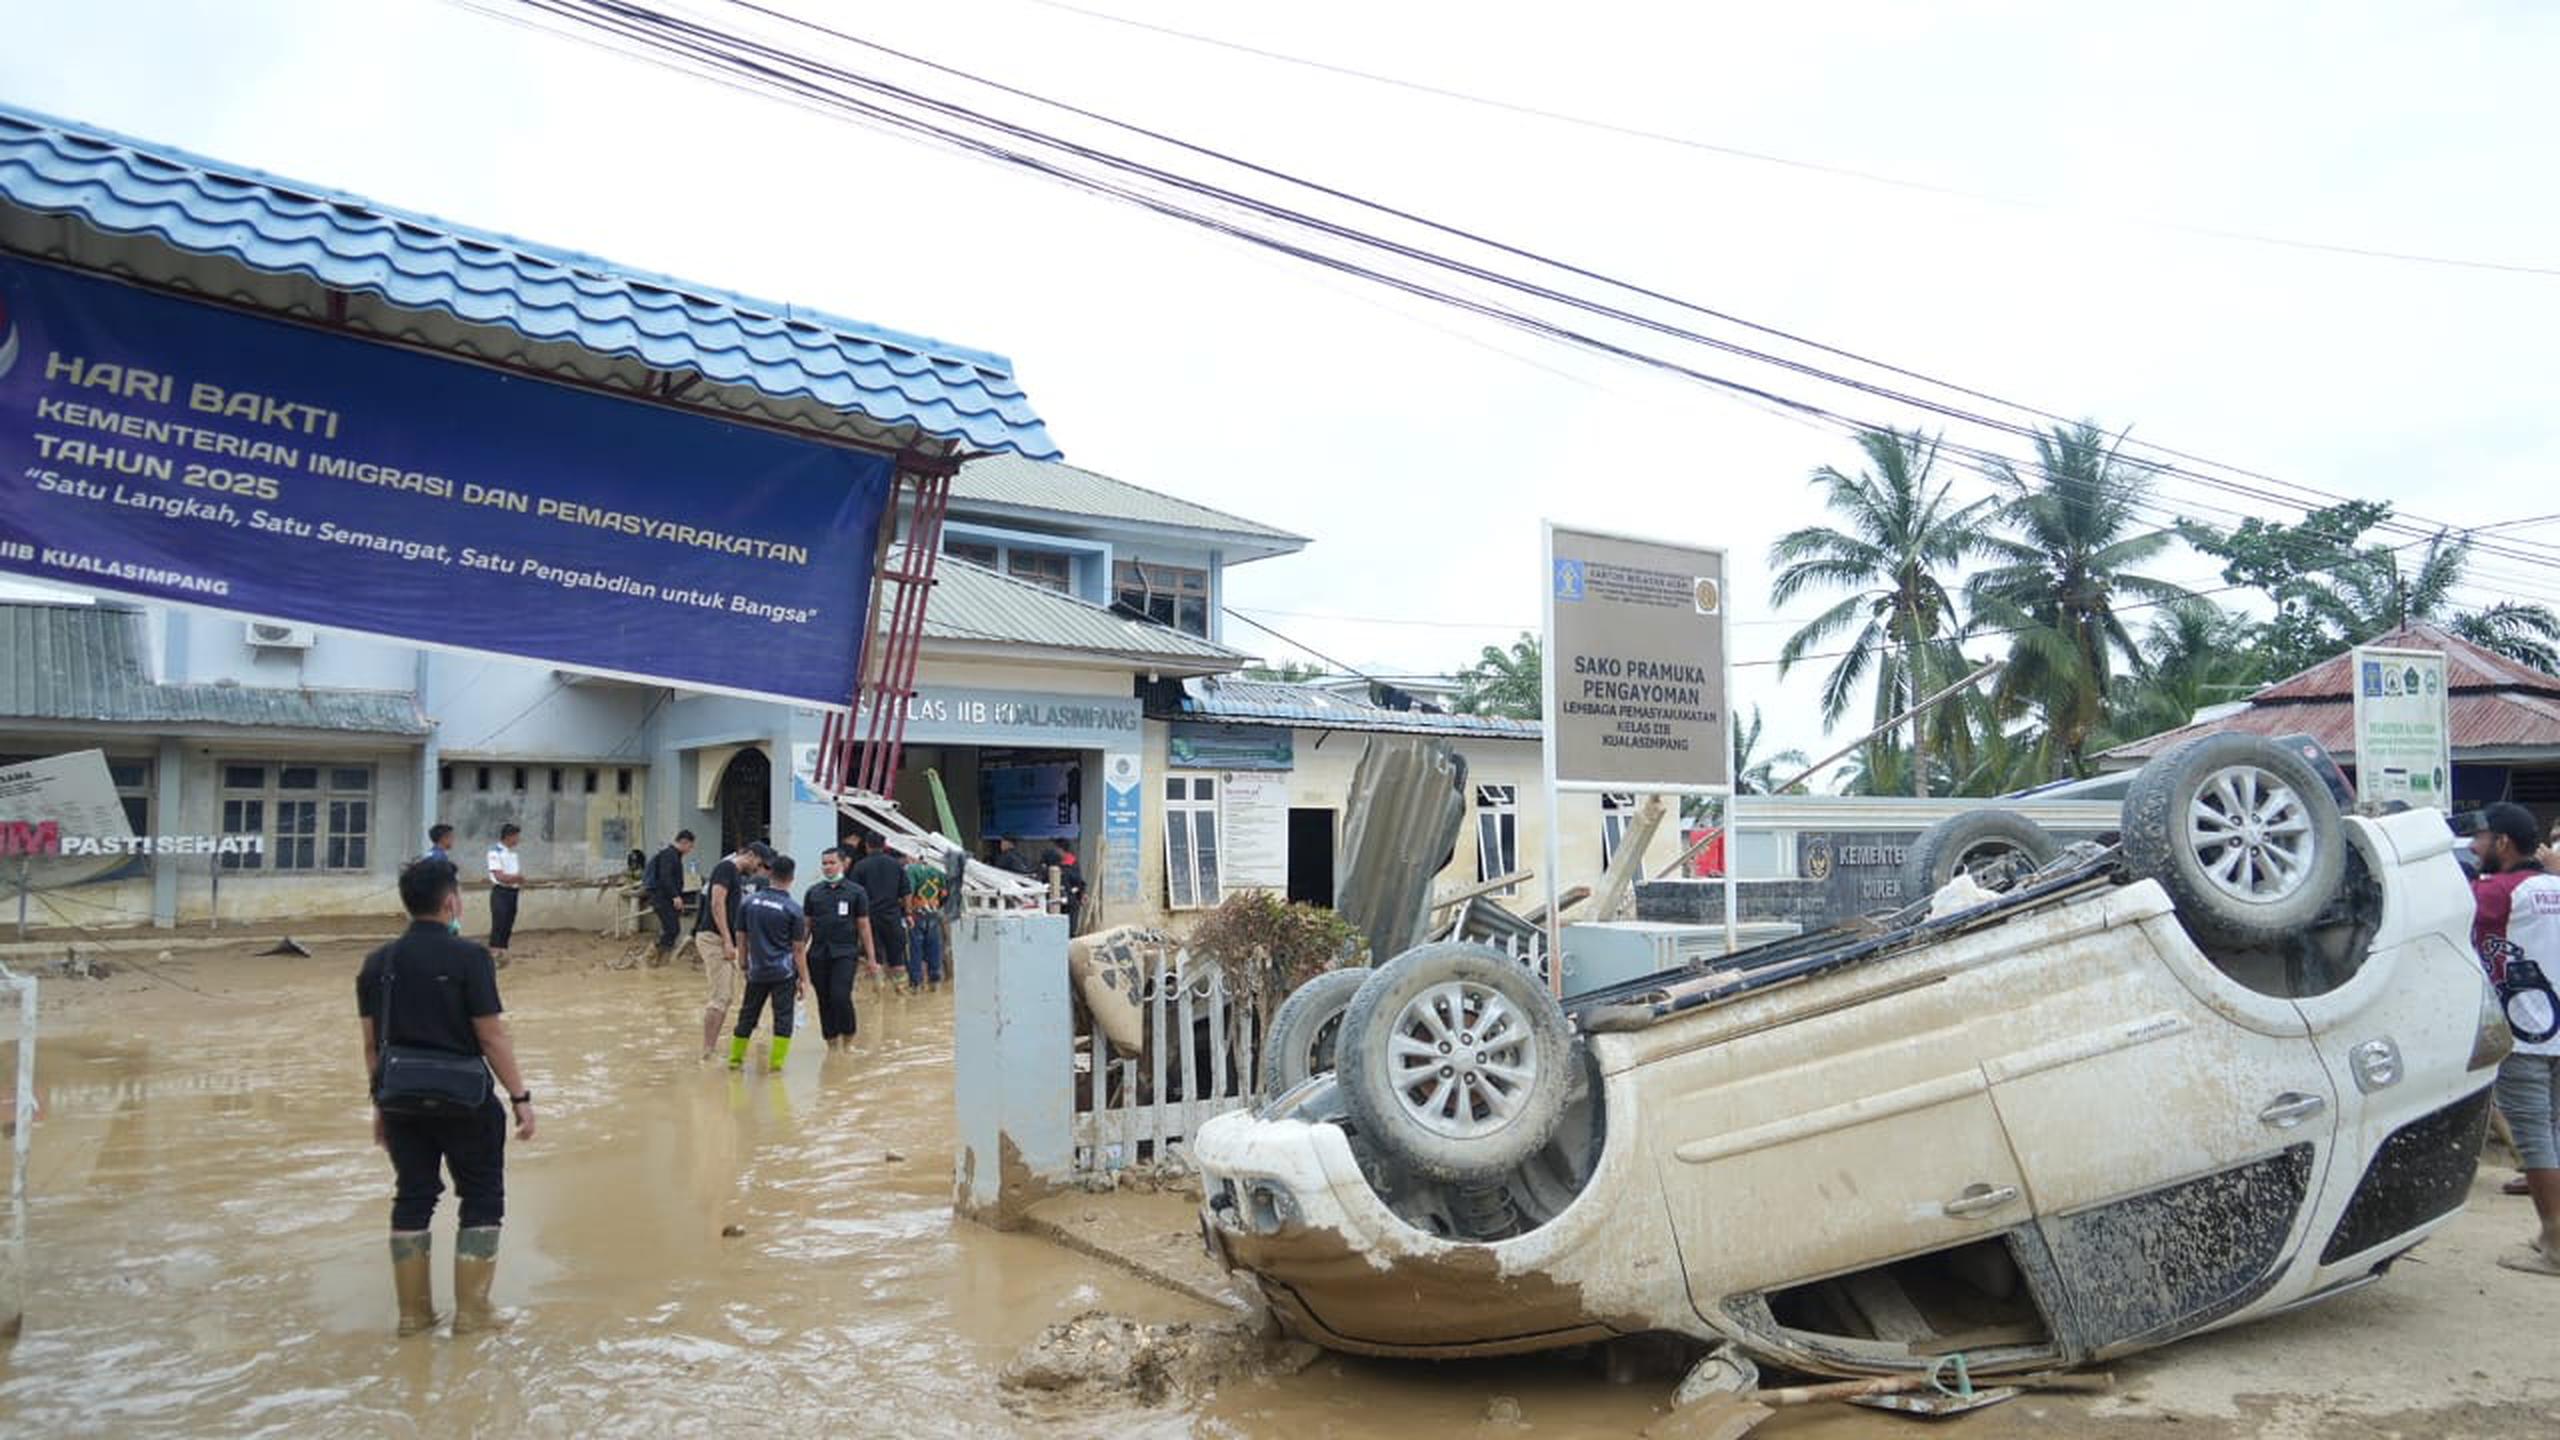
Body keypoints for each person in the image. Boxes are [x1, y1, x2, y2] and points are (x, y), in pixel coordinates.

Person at [359, 858, 536, 1336]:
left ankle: (413, 1317)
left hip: (400, 1100)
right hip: (465, 1102)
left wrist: (380, 1105)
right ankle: (473, 1314)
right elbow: (491, 1036)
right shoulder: (470, 959)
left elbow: (372, 1046)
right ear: (451, 902)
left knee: (413, 1197)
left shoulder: (378, 963)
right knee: (481, 1196)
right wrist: (520, 1097)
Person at [2467, 801, 2560, 1276]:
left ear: (2502, 842)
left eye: (2480, 838)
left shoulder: (2496, 893)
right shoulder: (2556, 885)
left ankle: (2555, 1243)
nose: (2473, 846)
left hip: (2525, 1035)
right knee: (2555, 1132)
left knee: (2534, 1137)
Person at [729, 854, 809, 1071]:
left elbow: (741, 934)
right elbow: (798, 949)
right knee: (783, 1018)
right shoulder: (793, 909)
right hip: (783, 973)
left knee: (747, 1015)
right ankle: (776, 1065)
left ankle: (735, 1060)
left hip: (756, 971)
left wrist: (743, 961)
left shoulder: (749, 902)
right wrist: (804, 979)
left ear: (770, 874)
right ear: (791, 878)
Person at [692, 841, 768, 1062]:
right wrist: (726, 940)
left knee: (726, 997)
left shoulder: (735, 874)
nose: (759, 869)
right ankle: (707, 1052)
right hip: (714, 939)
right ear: (751, 855)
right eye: (759, 863)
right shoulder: (726, 868)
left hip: (725, 940)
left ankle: (710, 1049)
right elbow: (717, 904)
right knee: (721, 997)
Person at [803, 845, 877, 1048]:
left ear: (843, 864)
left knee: (840, 996)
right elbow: (806, 926)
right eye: (824, 863)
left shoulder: (856, 892)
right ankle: (832, 1044)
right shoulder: (813, 892)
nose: (827, 867)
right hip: (818, 954)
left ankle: (848, 1038)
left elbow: (864, 926)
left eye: (832, 863)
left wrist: (871, 959)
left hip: (845, 953)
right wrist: (797, 955)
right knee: (824, 999)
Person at [851, 832, 913, 992]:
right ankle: (901, 994)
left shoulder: (860, 866)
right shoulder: (896, 865)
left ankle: (879, 995)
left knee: (874, 958)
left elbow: (853, 894)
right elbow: (906, 892)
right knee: (897, 958)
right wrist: (908, 913)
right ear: (884, 845)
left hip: (869, 919)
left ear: (867, 845)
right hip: (893, 917)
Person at [643, 830, 695, 965]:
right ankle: (650, 957)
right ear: (684, 842)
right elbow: (665, 877)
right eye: (690, 846)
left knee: (672, 929)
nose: (690, 850)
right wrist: (675, 896)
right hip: (662, 898)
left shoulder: (674, 855)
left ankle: (660, 960)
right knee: (672, 928)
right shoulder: (669, 855)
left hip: (666, 898)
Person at [905, 848, 950, 992]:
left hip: (916, 913)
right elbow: (944, 893)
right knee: (934, 947)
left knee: (915, 948)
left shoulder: (912, 870)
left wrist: (908, 911)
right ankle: (935, 981)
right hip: (933, 912)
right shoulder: (938, 870)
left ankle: (916, 983)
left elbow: (909, 891)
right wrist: (936, 905)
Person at [485, 824, 524, 967]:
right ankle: (494, 954)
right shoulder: (495, 852)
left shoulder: (511, 854)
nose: (518, 839)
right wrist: (517, 878)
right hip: (501, 891)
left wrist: (516, 879)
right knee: (499, 922)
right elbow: (499, 876)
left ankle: (502, 952)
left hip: (513, 891)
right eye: (516, 836)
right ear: (509, 836)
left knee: (508, 921)